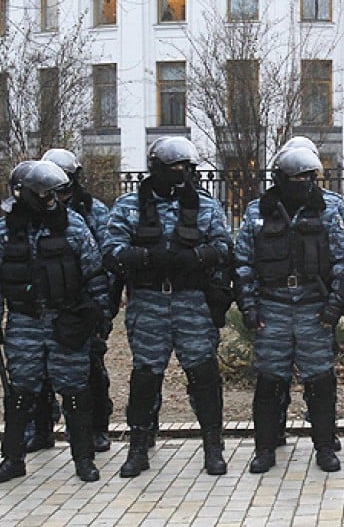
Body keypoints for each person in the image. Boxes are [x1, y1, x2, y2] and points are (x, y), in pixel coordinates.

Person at [103, 137, 232, 477]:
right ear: (157, 169)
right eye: (175, 168)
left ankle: (213, 447)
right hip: (148, 302)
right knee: (146, 377)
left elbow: (224, 247)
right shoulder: (130, 206)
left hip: (192, 301)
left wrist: (196, 257)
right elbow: (111, 251)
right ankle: (138, 448)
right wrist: (144, 257)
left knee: (203, 375)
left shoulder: (204, 206)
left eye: (187, 169)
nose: (182, 174)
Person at [0, 160, 109, 484]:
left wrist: (100, 317)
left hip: (66, 319)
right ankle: (13, 458)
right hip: (24, 320)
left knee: (75, 390)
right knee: (21, 391)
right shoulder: (4, 230)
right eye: (43, 193)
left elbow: (94, 272)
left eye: (53, 193)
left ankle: (84, 459)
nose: (49, 199)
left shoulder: (73, 225)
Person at [235, 144, 344, 474]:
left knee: (320, 382)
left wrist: (334, 306)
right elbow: (244, 263)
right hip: (272, 308)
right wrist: (248, 307)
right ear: (281, 178)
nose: (305, 182)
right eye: (298, 177)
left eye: (309, 177)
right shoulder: (258, 211)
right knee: (269, 381)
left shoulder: (329, 208)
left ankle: (324, 447)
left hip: (313, 309)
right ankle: (264, 449)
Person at [42, 148, 114, 453]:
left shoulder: (93, 211)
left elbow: (107, 258)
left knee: (91, 368)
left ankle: (96, 428)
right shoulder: (34, 211)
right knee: (40, 370)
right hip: (45, 303)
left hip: (84, 304)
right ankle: (41, 428)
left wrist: (103, 310)